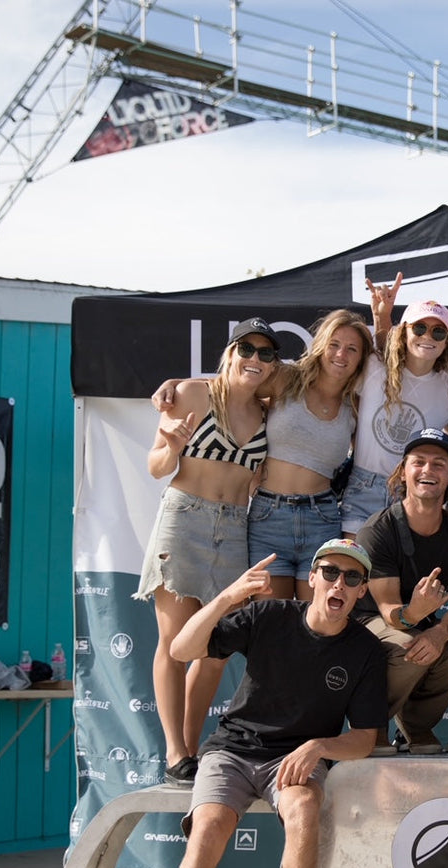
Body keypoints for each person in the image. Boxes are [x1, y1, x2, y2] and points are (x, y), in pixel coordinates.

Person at [147, 539, 386, 868]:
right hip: (233, 751)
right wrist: (228, 597)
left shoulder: (366, 650)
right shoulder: (269, 616)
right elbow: (181, 647)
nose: (339, 584)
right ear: (313, 578)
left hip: (295, 758)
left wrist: (319, 745)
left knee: (303, 811)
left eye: (352, 578)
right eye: (330, 573)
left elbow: (364, 737)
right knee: (209, 828)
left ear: (361, 592)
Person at [135, 318, 277, 784]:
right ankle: (175, 752)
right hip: (184, 518)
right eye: (247, 349)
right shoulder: (193, 395)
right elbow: (156, 466)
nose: (254, 359)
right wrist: (172, 447)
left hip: (236, 528)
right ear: (230, 352)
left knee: (215, 649)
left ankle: (192, 748)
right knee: (175, 643)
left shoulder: (269, 409)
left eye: (266, 353)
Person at [355, 428, 448, 753]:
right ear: (403, 472)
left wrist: (440, 632)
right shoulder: (377, 530)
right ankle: (372, 727)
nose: (427, 470)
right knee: (408, 647)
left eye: (439, 464)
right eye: (418, 462)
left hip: (423, 622)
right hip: (369, 623)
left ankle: (416, 726)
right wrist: (415, 612)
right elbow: (388, 612)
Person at [248, 309, 374, 599]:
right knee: (270, 622)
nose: (341, 354)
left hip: (322, 518)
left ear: (360, 359)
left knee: (316, 625)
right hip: (268, 517)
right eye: (334, 344)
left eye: (352, 349)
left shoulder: (356, 404)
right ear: (321, 346)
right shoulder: (286, 378)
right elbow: (233, 388)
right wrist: (177, 386)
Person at [340, 299, 448, 534]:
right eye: (418, 328)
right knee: (354, 564)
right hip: (364, 485)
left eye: (438, 332)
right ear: (403, 332)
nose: (427, 337)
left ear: (447, 341)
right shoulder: (373, 366)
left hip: (414, 491)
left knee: (404, 571)